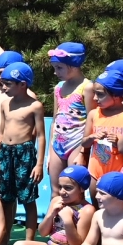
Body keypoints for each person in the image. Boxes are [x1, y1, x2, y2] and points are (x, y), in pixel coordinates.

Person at [0, 61, 46, 240]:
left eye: (8, 84)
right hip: (6, 152)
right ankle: (3, 238)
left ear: (22, 84)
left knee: (28, 199)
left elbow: (41, 137)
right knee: (6, 198)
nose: (4, 87)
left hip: (25, 153)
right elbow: (1, 132)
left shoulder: (34, 106)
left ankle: (29, 241)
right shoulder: (5, 104)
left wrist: (39, 165)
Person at [11, 165, 94, 245]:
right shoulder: (57, 201)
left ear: (82, 188)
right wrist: (51, 215)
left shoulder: (87, 210)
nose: (62, 192)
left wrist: (68, 220)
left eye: (68, 188)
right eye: (60, 187)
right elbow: (43, 233)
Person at [46, 42, 92, 180]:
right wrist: (49, 152)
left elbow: (92, 119)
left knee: (75, 186)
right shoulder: (58, 87)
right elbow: (54, 120)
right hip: (57, 144)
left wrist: (83, 153)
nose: (55, 72)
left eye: (59, 68)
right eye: (54, 68)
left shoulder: (87, 87)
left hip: (77, 143)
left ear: (74, 65)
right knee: (55, 190)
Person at [86, 68, 123, 186]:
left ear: (116, 95)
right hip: (94, 173)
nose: (94, 98)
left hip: (118, 174)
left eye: (100, 94)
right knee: (96, 204)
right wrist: (92, 137)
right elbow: (84, 143)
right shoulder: (94, 113)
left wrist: (117, 142)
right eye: (94, 93)